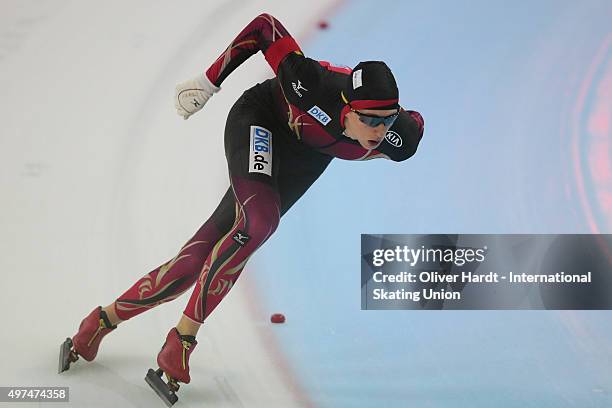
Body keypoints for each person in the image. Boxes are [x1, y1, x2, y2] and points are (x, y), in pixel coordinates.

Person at [59, 12, 424, 402]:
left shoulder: (399, 136)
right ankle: (182, 339)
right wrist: (208, 81)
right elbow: (264, 26)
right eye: (369, 119)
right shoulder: (309, 84)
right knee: (261, 221)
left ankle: (99, 322)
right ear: (346, 107)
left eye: (387, 121)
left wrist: (386, 133)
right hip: (260, 121)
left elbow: (408, 127)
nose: (379, 131)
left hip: (303, 160)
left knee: (194, 261)